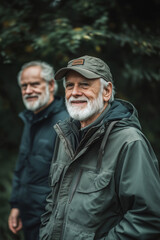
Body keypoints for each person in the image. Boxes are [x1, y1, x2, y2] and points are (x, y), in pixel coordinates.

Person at [39, 55, 160, 240]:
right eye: (70, 86)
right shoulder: (64, 136)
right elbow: (52, 201)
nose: (75, 92)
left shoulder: (129, 142)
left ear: (106, 91)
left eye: (84, 85)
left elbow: (147, 217)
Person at [8, 61, 68, 240]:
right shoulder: (30, 118)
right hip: (29, 217)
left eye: (34, 84)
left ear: (51, 85)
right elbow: (22, 166)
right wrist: (17, 205)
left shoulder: (67, 122)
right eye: (24, 86)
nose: (28, 91)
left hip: (53, 223)